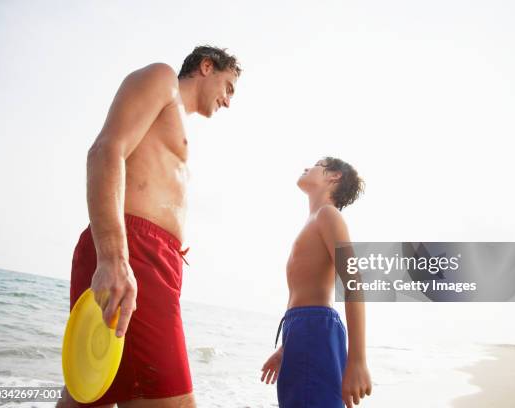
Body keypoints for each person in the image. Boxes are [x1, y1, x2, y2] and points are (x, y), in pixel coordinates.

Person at [57, 46, 241, 408]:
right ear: (207, 66)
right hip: (134, 250)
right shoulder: (162, 79)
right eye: (229, 87)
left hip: (156, 259)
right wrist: (113, 257)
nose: (229, 101)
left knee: (91, 393)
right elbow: (106, 150)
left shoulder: (177, 122)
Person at [260, 157, 372, 408]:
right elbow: (305, 293)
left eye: (318, 164)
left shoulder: (328, 215)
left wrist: (357, 361)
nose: (307, 166)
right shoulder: (312, 221)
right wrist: (285, 348)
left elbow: (354, 282)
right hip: (300, 329)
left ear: (334, 176)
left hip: (315, 328)